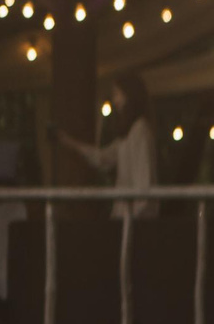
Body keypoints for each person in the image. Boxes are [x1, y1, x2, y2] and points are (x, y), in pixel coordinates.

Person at [50, 71, 158, 219]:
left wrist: (136, 214)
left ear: (129, 96)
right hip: (126, 216)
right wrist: (69, 142)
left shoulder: (140, 130)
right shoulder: (127, 135)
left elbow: (143, 180)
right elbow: (102, 158)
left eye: (117, 94)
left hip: (135, 218)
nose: (115, 100)